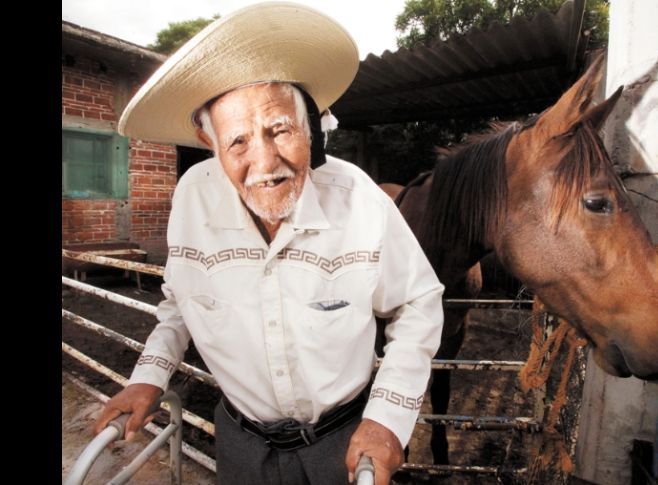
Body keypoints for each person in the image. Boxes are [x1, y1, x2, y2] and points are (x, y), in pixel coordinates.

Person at [92, 3, 444, 485]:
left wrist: (388, 416)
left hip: (343, 442)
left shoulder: (359, 199)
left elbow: (418, 302)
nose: (265, 163)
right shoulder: (193, 198)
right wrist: (148, 377)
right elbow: (180, 303)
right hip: (241, 444)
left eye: (281, 130)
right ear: (207, 139)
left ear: (313, 125)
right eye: (237, 141)